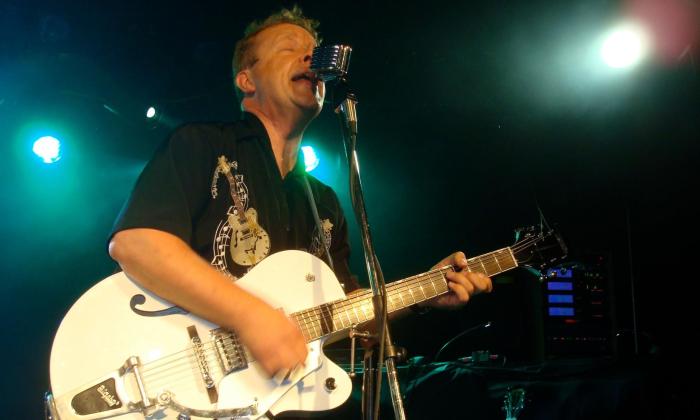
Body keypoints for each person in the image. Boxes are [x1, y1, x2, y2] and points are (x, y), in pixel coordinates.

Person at [108, 5, 492, 393]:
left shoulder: (323, 201)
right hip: (182, 380)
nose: (311, 57)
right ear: (247, 79)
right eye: (289, 48)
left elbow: (340, 316)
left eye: (314, 49)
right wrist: (251, 317)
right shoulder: (202, 144)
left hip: (273, 398)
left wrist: (423, 293)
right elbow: (137, 243)